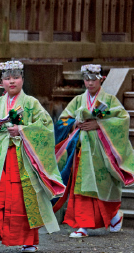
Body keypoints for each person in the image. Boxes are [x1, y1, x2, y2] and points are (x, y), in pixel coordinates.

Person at [0, 61, 65, 253]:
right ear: (2, 82)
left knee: (24, 199)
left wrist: (22, 131)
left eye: (15, 77)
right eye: (7, 78)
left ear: (22, 79)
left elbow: (46, 127)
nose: (11, 81)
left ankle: (29, 240)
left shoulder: (31, 103)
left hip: (23, 159)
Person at [53, 64, 134, 237]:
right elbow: (62, 121)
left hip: (103, 152)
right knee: (83, 186)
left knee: (105, 185)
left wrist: (100, 124)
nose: (90, 83)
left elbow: (123, 119)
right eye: (87, 80)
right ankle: (83, 225)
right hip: (82, 151)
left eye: (94, 79)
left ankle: (113, 216)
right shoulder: (77, 100)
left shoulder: (110, 100)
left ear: (101, 79)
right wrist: (75, 124)